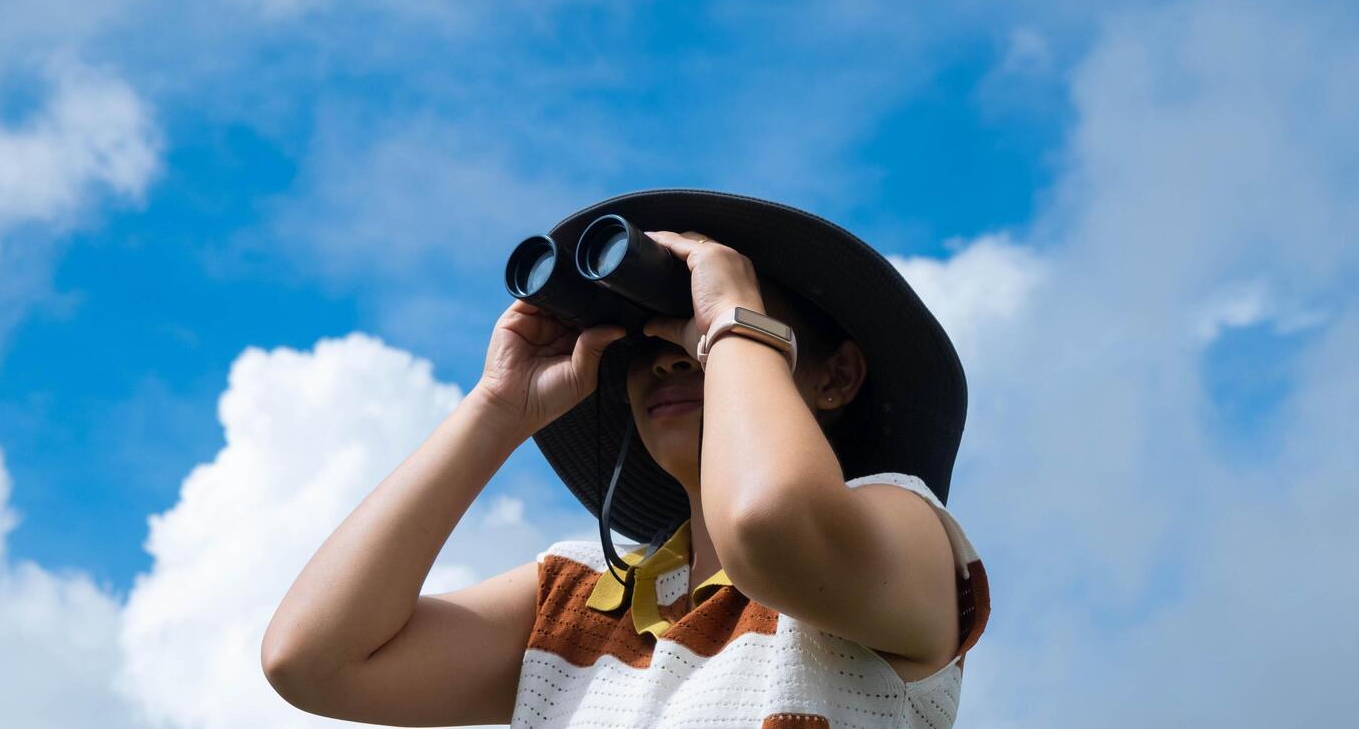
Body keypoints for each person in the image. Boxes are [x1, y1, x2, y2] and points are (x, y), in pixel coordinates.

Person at [261, 188, 990, 728]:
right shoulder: (577, 607)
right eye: (646, 341)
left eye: (695, 334)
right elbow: (313, 658)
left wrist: (731, 314)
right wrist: (497, 407)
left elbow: (771, 523)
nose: (670, 358)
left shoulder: (903, 533)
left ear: (835, 377)